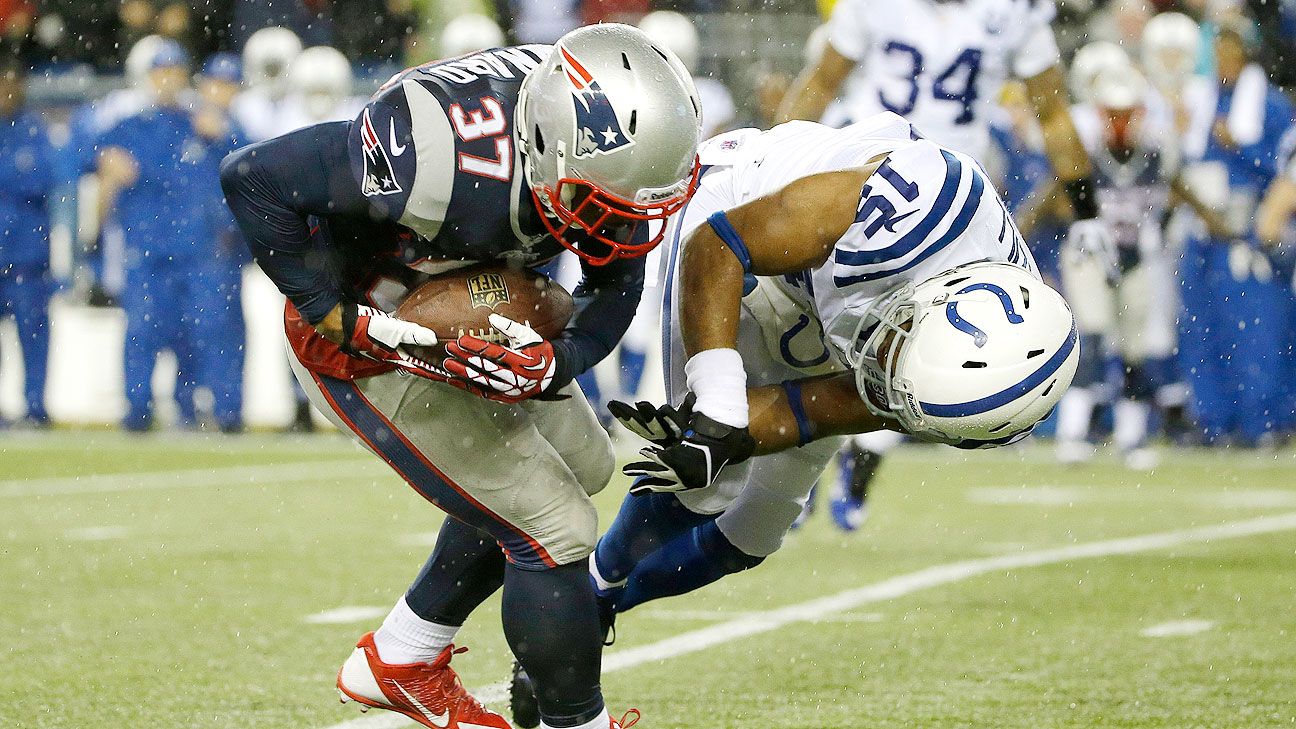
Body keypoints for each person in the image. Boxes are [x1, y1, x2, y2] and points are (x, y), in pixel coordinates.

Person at [511, 111, 1080, 718]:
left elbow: (806, 411)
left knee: (757, 528)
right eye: (900, 353)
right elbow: (718, 245)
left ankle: (598, 603)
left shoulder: (946, 377)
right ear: (940, 307)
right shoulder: (909, 219)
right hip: (743, 210)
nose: (887, 378)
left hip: (829, 298)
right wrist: (719, 406)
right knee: (710, 487)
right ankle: (597, 584)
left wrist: (725, 437)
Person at [220, 25, 700, 729]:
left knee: (590, 464)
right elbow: (251, 176)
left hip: (479, 298)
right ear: (541, 147)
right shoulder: (432, 156)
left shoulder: (596, 141)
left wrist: (556, 361)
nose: (621, 227)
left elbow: (615, 282)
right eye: (603, 203)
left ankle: (403, 653)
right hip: (375, 336)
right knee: (557, 528)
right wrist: (333, 314)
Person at [778, 0, 1111, 528]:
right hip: (910, 190)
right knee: (846, 334)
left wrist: (778, 158)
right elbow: (1054, 113)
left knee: (903, 345)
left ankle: (841, 467)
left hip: (910, 190)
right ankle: (813, 474)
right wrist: (1086, 209)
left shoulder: (1011, 13)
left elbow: (818, 86)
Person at [1050, 66, 1227, 467]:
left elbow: (1182, 191)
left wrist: (1225, 229)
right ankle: (1074, 432)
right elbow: (1053, 192)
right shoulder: (1086, 154)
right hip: (1091, 258)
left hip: (1136, 258)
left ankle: (1130, 435)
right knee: (1091, 338)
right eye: (1113, 114)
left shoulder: (1157, 153)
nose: (1120, 123)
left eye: (1127, 113)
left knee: (1135, 350)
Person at [97, 40, 241, 431]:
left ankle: (198, 410)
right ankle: (137, 412)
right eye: (161, 73)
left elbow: (247, 161)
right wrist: (103, 161)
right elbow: (86, 160)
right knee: (143, 333)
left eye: (175, 73)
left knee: (202, 334)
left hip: (199, 251)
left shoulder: (203, 123)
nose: (167, 81)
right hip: (146, 251)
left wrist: (223, 134)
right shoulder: (129, 127)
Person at [1177, 22, 1294, 446]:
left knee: (1256, 326)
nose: (1223, 62)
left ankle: (1261, 421)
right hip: (1201, 227)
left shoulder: (1272, 105)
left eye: (1230, 52)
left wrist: (1241, 147)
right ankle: (1212, 419)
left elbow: (1283, 171)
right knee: (1202, 326)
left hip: (1246, 228)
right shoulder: (1201, 101)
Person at [0, 54, 55, 427]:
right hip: (18, 248)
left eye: (11, 83)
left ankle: (34, 407)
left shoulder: (33, 130)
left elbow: (42, 180)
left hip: (26, 257)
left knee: (33, 335)